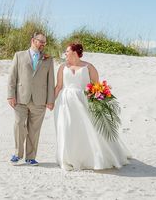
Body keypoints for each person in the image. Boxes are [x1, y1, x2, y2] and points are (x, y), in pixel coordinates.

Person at [54, 43, 131, 171]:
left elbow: (96, 87)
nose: (65, 54)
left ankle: (93, 157)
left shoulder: (89, 67)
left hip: (84, 102)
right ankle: (69, 158)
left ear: (74, 53)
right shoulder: (62, 67)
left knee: (89, 128)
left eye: (67, 51)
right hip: (65, 103)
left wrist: (99, 104)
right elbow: (58, 86)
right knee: (67, 128)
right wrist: (51, 101)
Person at [7, 32, 55, 166]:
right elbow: (12, 77)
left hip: (40, 100)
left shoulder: (48, 59)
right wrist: (10, 95)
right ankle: (17, 154)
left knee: (34, 130)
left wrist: (50, 100)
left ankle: (30, 157)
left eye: (45, 43)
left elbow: (51, 81)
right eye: (41, 42)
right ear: (33, 40)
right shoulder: (19, 55)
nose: (43, 45)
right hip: (21, 98)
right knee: (19, 125)